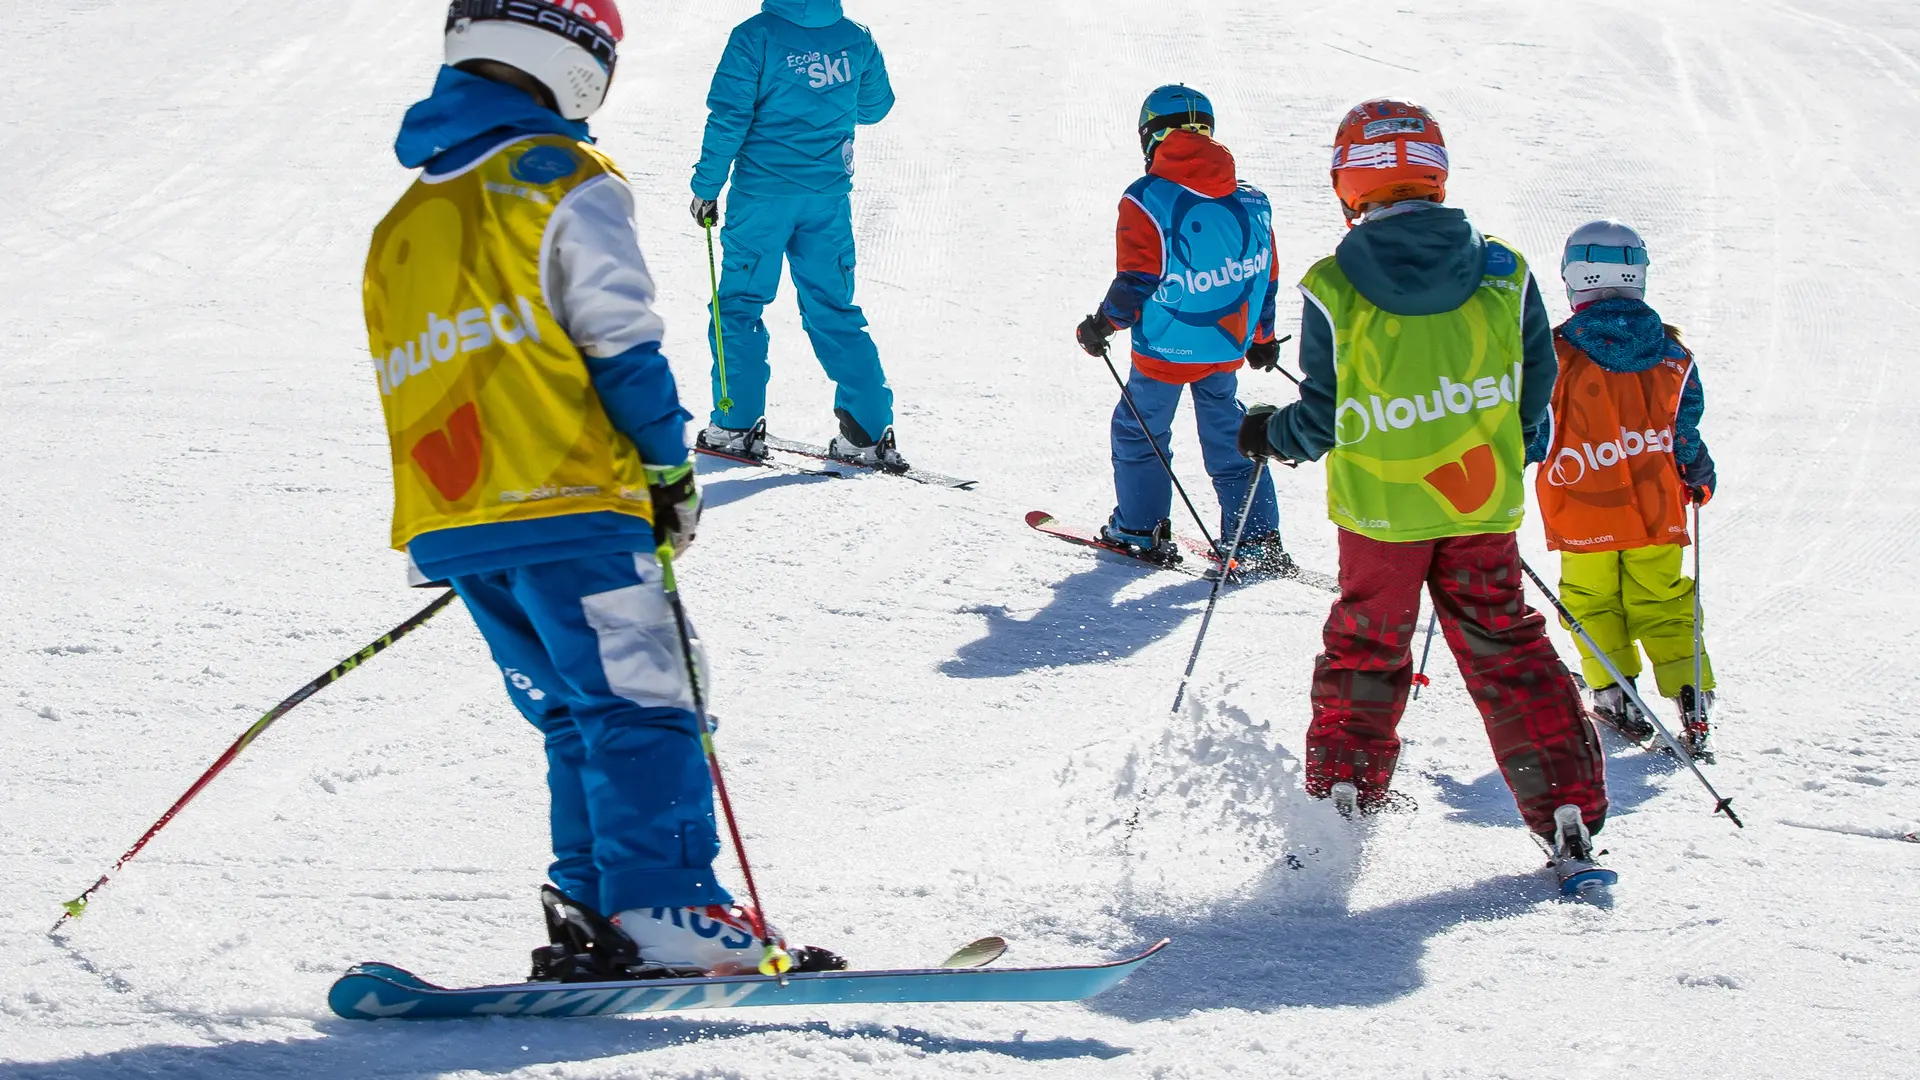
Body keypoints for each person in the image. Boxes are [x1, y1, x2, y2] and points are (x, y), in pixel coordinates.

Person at [365, 0, 836, 977]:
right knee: (645, 697)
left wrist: (463, 525)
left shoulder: (406, 220)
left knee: (581, 709)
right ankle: (664, 909)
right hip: (572, 499)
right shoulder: (560, 181)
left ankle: (593, 906)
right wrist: (668, 471)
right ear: (577, 57)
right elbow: (621, 343)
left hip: (459, 525)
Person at [1237, 99, 1608, 861]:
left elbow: (1324, 415)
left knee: (1368, 642)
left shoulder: (1333, 284)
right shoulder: (1504, 271)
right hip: (1480, 502)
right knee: (1504, 644)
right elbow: (1536, 385)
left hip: (1380, 512)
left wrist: (1268, 433)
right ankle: (1564, 803)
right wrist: (1515, 442)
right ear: (1436, 173)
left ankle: (1345, 790)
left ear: (1350, 183)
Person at [1074, 85, 1287, 570]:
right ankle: (1256, 539)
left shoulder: (1147, 198)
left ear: (1151, 137)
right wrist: (1263, 338)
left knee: (1140, 431)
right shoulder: (1253, 200)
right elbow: (1264, 275)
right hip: (1225, 343)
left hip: (1166, 351)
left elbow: (1139, 278)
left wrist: (1103, 324)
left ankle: (1140, 528)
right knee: (1230, 432)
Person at [1531, 220, 1718, 759]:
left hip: (1580, 509)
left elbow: (1534, 431)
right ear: (1638, 277)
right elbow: (1685, 431)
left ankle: (1616, 693)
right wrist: (1696, 472)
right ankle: (1692, 696)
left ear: (1572, 279)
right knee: (1662, 599)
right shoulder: (1672, 356)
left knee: (1592, 600)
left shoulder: (1555, 356)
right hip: (1654, 508)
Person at [689, 0, 901, 467]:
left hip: (762, 198)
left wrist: (706, 187)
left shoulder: (755, 35)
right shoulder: (855, 37)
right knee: (833, 307)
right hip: (826, 198)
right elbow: (875, 106)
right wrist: (825, 96)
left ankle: (735, 424)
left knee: (739, 304)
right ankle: (867, 430)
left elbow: (729, 117)